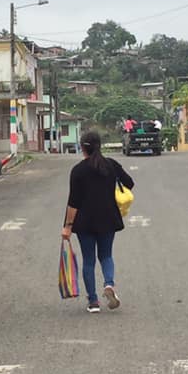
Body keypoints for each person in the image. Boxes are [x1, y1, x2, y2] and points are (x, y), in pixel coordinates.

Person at [61, 131, 134, 313]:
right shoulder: (111, 165)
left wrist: (67, 226)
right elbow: (130, 183)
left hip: (84, 221)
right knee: (106, 255)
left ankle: (93, 302)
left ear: (82, 147)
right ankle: (109, 284)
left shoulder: (78, 170)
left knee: (88, 260)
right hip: (108, 218)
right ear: (99, 146)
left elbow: (73, 202)